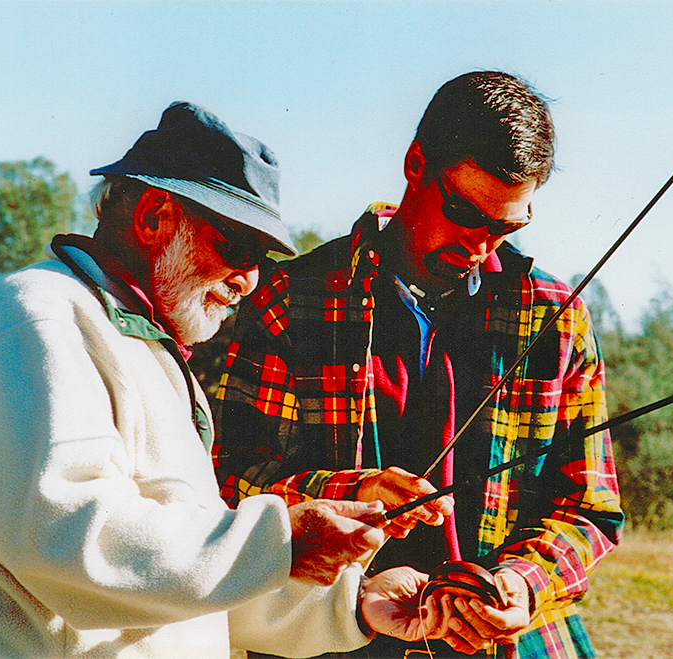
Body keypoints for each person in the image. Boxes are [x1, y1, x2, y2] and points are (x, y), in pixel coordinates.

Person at [0, 102, 450, 659]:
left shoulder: (141, 347)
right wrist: (282, 543)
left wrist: (355, 604)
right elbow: (69, 543)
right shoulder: (37, 320)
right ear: (152, 215)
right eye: (238, 248)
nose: (249, 280)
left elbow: (185, 580)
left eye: (261, 257)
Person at [209, 72, 625, 658]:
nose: (479, 243)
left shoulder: (559, 317)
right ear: (414, 161)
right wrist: (348, 489)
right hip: (328, 636)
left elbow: (589, 506)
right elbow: (228, 481)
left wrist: (524, 587)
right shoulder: (288, 299)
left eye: (506, 225)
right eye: (462, 211)